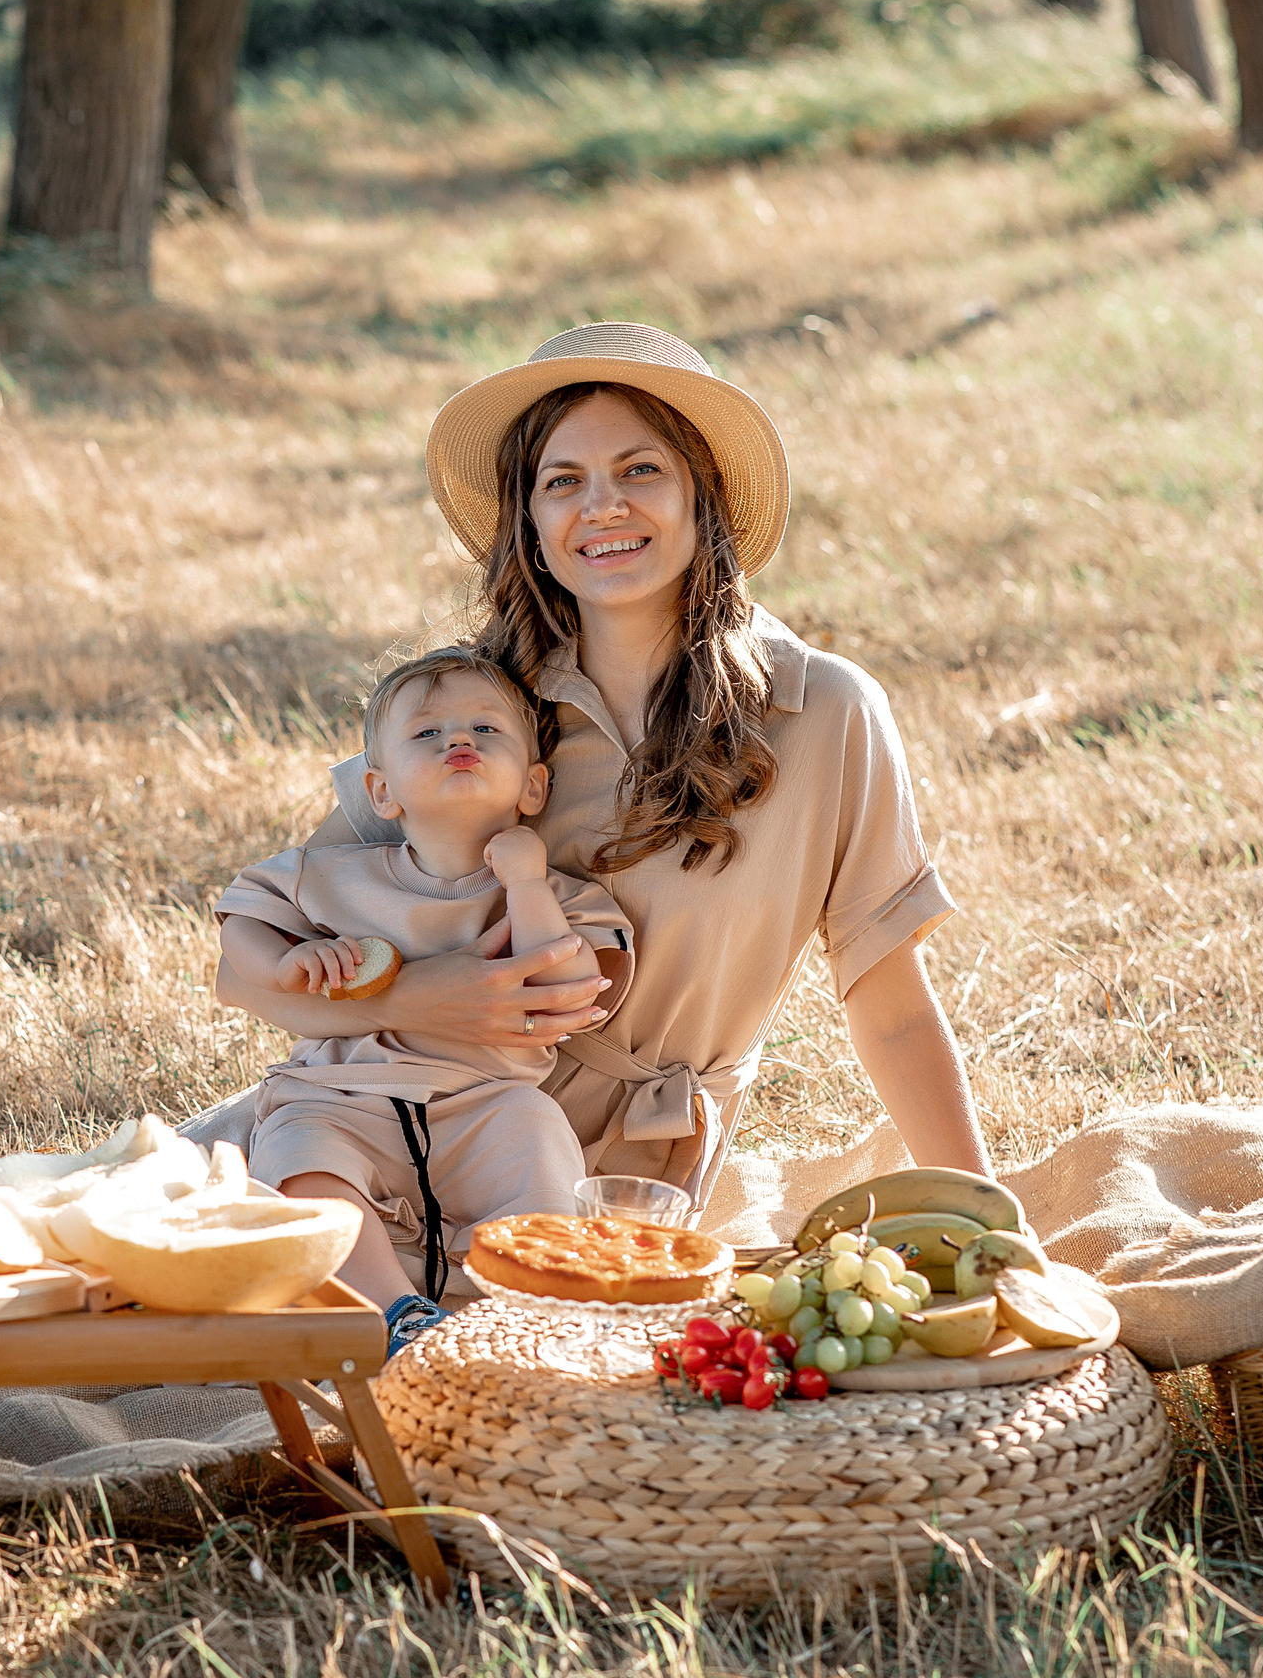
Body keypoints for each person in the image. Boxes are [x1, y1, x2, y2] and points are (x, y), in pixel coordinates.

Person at [201, 321, 989, 1315]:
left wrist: (992, 1228)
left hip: (612, 1185)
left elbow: (895, 1005)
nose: (601, 505)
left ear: (703, 492)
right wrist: (415, 1001)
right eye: (561, 480)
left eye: (638, 468)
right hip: (377, 1128)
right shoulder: (474, 713)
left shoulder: (822, 711)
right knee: (90, 1260)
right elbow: (253, 964)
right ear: (526, 519)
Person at [215, 647, 633, 1355]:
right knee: (298, 1162)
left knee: (538, 1139)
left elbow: (568, 985)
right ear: (382, 793)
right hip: (340, 1096)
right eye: (427, 734)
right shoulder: (334, 875)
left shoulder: (555, 896)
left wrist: (528, 884)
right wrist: (287, 960)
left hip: (485, 1097)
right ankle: (396, 1314)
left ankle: (535, 1310)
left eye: (484, 729)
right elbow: (241, 926)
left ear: (534, 788)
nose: (459, 741)